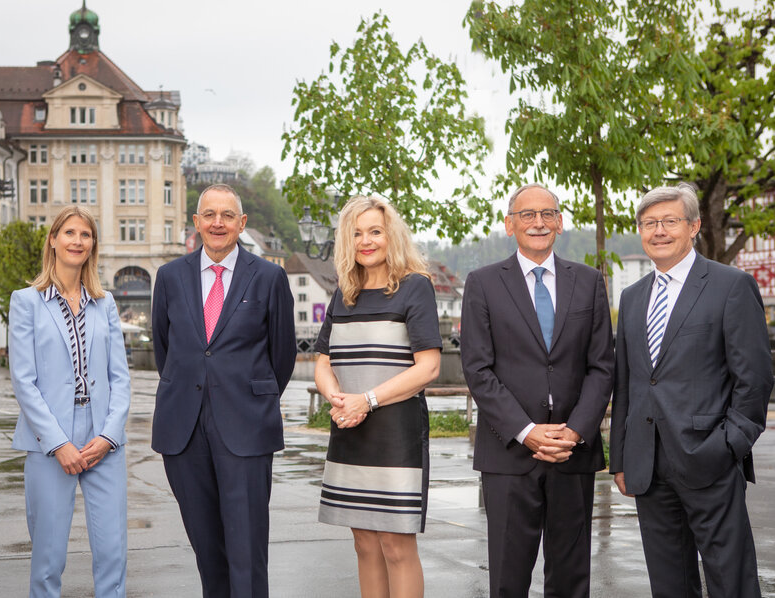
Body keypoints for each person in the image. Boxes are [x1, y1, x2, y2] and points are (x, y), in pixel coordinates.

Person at [610, 184, 773, 598]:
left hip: (710, 461)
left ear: (694, 226)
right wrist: (622, 459)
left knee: (730, 581)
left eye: (670, 221)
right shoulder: (631, 298)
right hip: (648, 467)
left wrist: (727, 446)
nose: (658, 231)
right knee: (669, 585)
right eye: (649, 223)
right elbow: (627, 383)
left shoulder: (730, 285)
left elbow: (754, 380)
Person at [460, 183, 614, 597]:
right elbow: (477, 368)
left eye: (547, 214)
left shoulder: (588, 282)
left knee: (570, 579)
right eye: (527, 215)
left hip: (572, 451)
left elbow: (602, 366)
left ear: (560, 222)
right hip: (509, 454)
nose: (538, 222)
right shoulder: (483, 283)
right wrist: (527, 431)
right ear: (509, 225)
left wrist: (576, 431)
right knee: (508, 579)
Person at [151, 183, 296, 597]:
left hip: (246, 428)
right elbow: (166, 350)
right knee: (206, 548)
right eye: (209, 215)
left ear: (242, 224)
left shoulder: (269, 277)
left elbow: (282, 357)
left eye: (227, 215)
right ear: (196, 223)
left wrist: (250, 399)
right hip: (184, 428)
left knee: (247, 550)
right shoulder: (170, 277)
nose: (218, 223)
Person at [314, 196, 442, 598]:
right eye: (356, 234)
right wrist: (336, 398)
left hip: (395, 434)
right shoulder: (343, 293)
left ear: (392, 236)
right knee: (363, 542)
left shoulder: (415, 287)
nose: (365, 241)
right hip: (349, 429)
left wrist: (364, 400)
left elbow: (428, 368)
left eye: (374, 231)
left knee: (395, 544)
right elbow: (322, 361)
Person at [8, 206, 131, 598]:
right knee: (48, 555)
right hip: (49, 440)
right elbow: (24, 382)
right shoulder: (26, 301)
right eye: (70, 233)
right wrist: (58, 443)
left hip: (103, 438)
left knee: (113, 551)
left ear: (93, 244)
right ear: (53, 240)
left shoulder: (104, 302)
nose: (78, 241)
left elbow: (120, 378)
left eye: (86, 235)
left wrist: (110, 435)